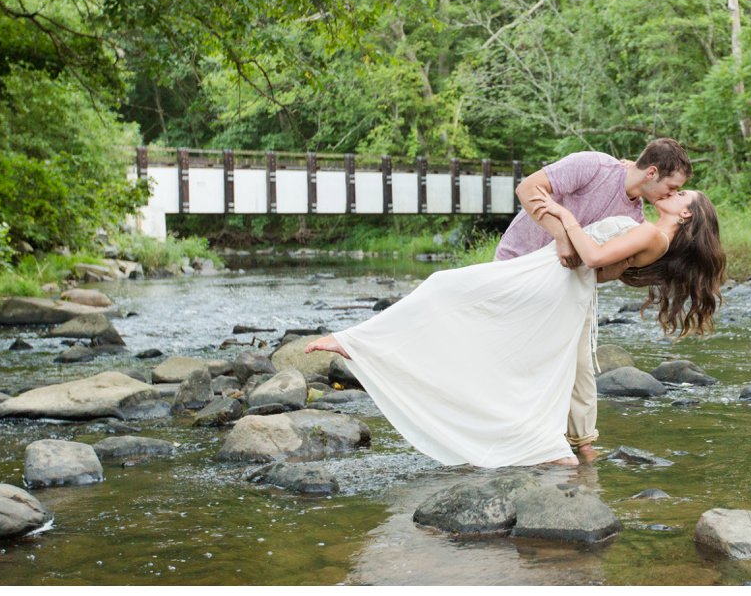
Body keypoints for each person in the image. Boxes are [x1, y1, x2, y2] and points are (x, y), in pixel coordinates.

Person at [304, 187, 725, 469]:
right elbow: (600, 267)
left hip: (551, 278)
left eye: (681, 194)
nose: (672, 192)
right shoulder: (648, 228)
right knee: (523, 352)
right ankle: (552, 446)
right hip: (552, 275)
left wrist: (562, 217)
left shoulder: (654, 235)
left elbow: (595, 259)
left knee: (445, 286)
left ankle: (357, 343)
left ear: (685, 212)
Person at [495, 138, 692, 456]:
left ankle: (581, 444)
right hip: (518, 265)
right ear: (652, 172)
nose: (670, 195)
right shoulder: (593, 165)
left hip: (568, 287)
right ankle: (515, 439)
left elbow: (598, 268)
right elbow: (527, 189)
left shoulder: (637, 218)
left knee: (581, 364)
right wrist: (561, 235)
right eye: (672, 187)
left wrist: (625, 265)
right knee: (520, 361)